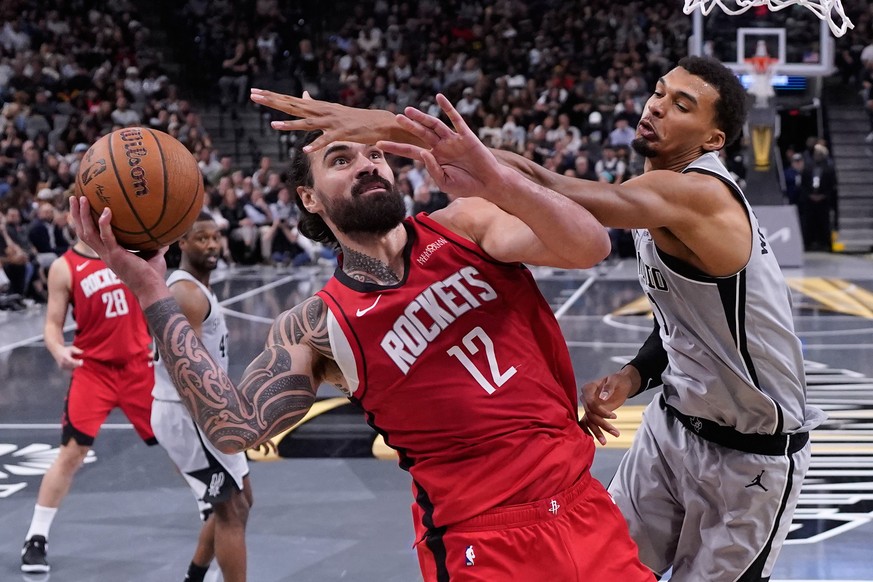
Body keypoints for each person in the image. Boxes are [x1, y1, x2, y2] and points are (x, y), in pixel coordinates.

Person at [248, 55, 825, 581]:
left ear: (713, 139)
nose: (656, 106)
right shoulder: (655, 196)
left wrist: (380, 124)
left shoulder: (695, 197)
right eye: (659, 91)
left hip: (752, 451)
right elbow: (684, 320)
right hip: (673, 424)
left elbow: (543, 183)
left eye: (681, 105)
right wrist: (634, 375)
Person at [69, 95, 653, 582]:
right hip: (483, 543)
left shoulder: (467, 225)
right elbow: (234, 427)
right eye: (341, 160)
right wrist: (151, 291)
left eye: (375, 153)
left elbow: (590, 246)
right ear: (308, 197)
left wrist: (494, 177)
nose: (367, 164)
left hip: (583, 507)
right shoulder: (318, 325)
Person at [21, 237, 157, 574]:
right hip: (92, 370)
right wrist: (57, 350)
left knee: (180, 441)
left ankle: (210, 507)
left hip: (138, 367)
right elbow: (53, 323)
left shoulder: (131, 252)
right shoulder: (64, 267)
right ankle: (36, 537)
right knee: (71, 453)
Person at [151, 212, 252, 582]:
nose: (211, 245)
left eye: (214, 237)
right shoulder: (185, 292)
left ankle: (194, 576)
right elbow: (185, 370)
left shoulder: (196, 288)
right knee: (230, 510)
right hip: (189, 413)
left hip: (207, 411)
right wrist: (219, 415)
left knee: (242, 501)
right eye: (201, 238)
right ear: (182, 243)